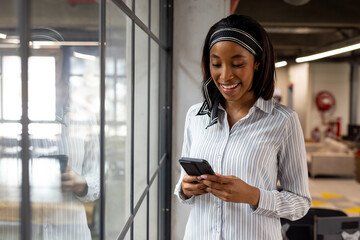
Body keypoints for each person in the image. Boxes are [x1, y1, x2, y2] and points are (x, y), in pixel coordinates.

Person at [174, 14, 311, 239]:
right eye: (216, 64)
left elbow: (300, 203)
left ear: (257, 62)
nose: (225, 75)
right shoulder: (195, 116)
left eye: (237, 64)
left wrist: (254, 196)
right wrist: (185, 189)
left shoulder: (283, 121)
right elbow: (182, 184)